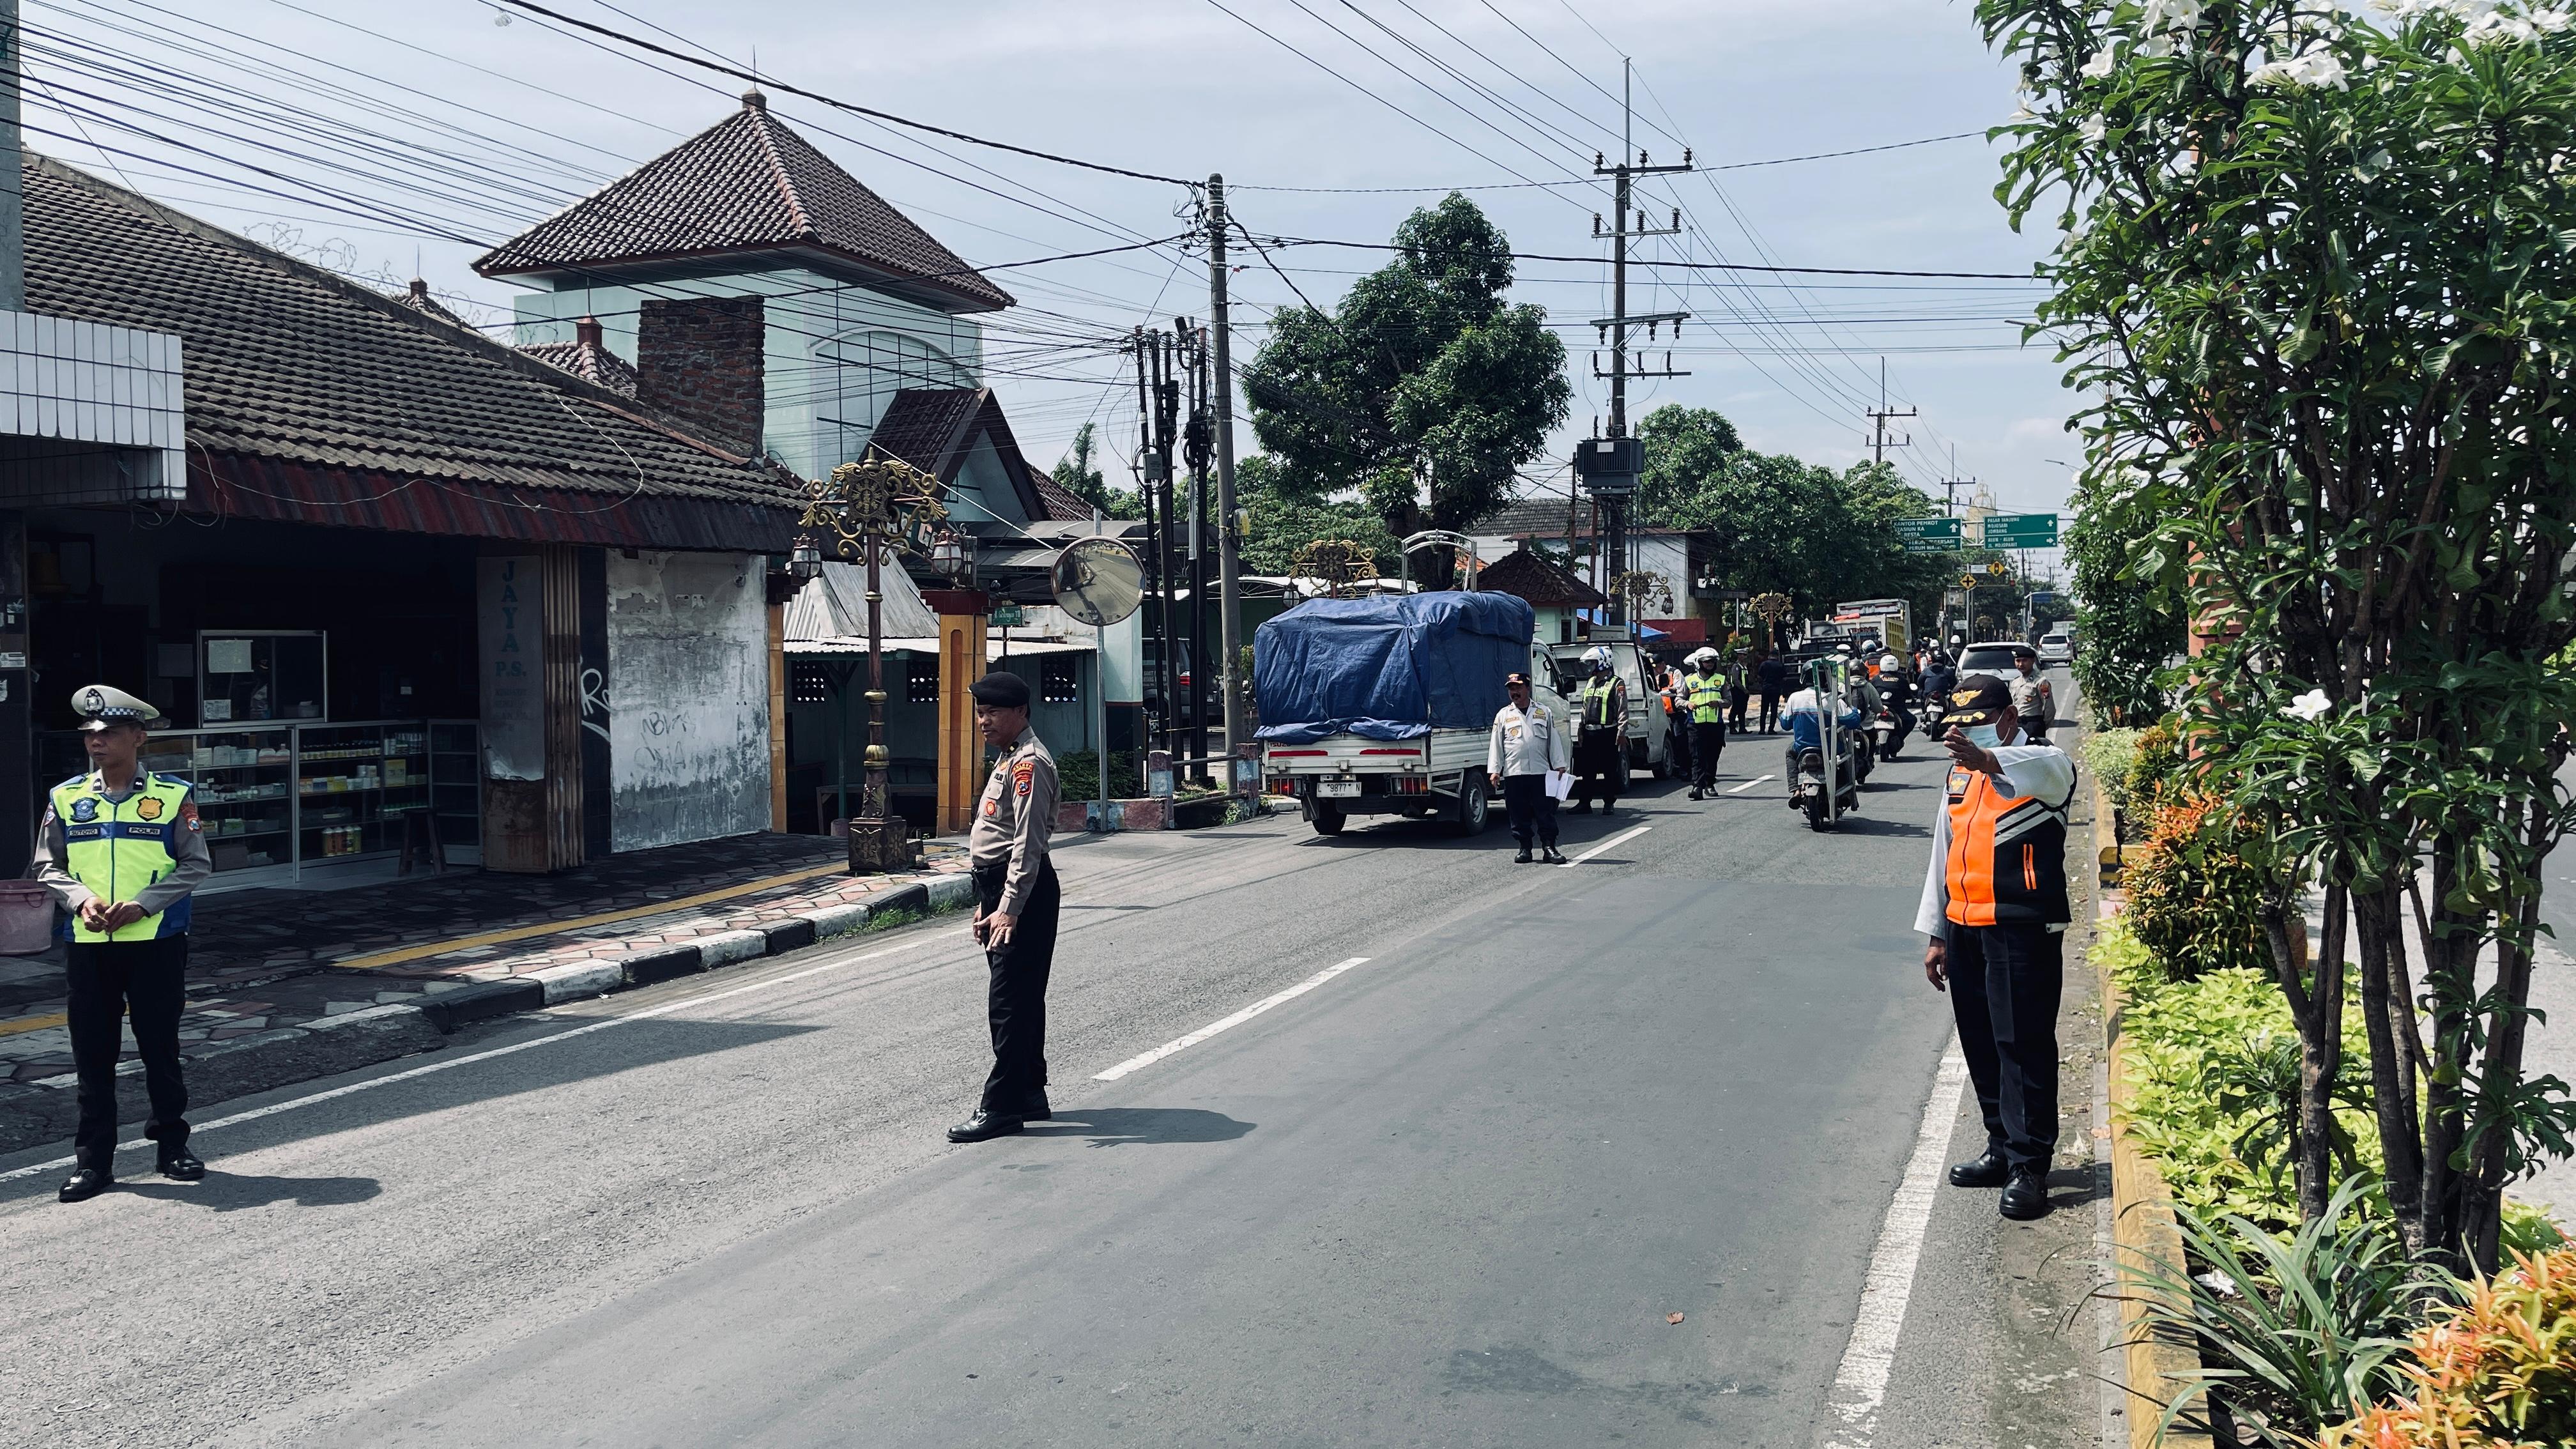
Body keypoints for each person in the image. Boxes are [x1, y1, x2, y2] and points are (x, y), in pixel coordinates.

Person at [1915, 674, 2078, 1220]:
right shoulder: (1956, 777)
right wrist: (1937, 932)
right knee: (1982, 1043)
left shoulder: (2042, 762)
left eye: (1978, 725)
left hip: (2021, 926)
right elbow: (1944, 851)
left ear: (2008, 719)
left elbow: (2044, 769)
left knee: (2023, 1043)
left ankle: (2031, 1166)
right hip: (1966, 926)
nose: (1966, 737)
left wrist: (1987, 759)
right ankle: (2000, 1147)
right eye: (1958, 728)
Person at [42, 685, 211, 1204]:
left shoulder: (173, 796)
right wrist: (80, 901)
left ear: (138, 737)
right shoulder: (67, 797)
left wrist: (143, 904)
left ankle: (171, 1148)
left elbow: (196, 864)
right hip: (89, 945)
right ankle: (94, 1164)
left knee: (160, 1047)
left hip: (156, 940)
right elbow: (48, 865)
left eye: (109, 732)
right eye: (91, 733)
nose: (97, 740)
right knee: (93, 1054)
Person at [950, 671, 1062, 1144]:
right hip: (1000, 891)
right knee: (1021, 998)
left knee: (1008, 1004)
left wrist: (1010, 907)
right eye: (980, 712)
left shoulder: (1029, 765)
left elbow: (1026, 845)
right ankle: (1030, 1094)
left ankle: (1000, 1107)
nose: (983, 720)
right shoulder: (1007, 759)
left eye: (993, 711)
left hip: (1023, 892)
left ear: (1020, 713)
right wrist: (987, 904)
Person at [1487, 671, 1568, 864]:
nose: (1514, 692)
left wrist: (1559, 765)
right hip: (1515, 773)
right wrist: (1495, 770)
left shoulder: (1543, 711)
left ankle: (1549, 847)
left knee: (1545, 812)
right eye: (1511, 689)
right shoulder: (1504, 715)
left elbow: (1553, 740)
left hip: (1540, 773)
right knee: (1518, 812)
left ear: (1528, 688)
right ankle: (1525, 848)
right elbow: (1496, 744)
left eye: (1518, 688)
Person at [1570, 645, 1625, 815]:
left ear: (1603, 663)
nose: (1589, 667)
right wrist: (1581, 729)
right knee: (1588, 770)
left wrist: (1621, 732)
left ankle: (1609, 803)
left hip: (1608, 732)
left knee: (1609, 770)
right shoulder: (1591, 682)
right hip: (1589, 732)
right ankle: (1585, 803)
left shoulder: (1617, 683)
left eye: (1592, 663)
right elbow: (1584, 707)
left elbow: (1622, 709)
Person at [1682, 648, 1729, 799]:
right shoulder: (1688, 680)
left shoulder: (1721, 679)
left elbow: (1729, 701)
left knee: (1712, 756)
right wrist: (1687, 704)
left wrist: (1719, 702)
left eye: (1712, 662)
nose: (1710, 664)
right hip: (1695, 724)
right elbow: (1679, 699)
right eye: (1707, 662)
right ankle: (1697, 786)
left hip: (1715, 725)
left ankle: (1709, 783)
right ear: (1699, 663)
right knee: (1697, 756)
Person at [2007, 645, 2057, 747]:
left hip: (2033, 725)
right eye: (2018, 661)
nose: (2021, 664)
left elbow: (2049, 708)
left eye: (2025, 661)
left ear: (2033, 661)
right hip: (2017, 726)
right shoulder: (2015, 682)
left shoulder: (2041, 682)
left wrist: (2042, 726)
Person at [1756, 653, 1792, 733]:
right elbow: (1785, 678)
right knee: (1774, 710)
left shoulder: (1764, 664)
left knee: (1764, 710)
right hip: (1776, 689)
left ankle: (1762, 730)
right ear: (1777, 656)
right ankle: (1771, 729)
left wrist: (1763, 684)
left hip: (1766, 689)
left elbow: (1759, 677)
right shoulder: (1780, 665)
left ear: (1769, 656)